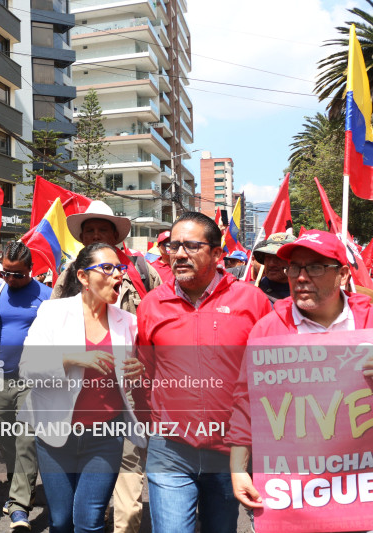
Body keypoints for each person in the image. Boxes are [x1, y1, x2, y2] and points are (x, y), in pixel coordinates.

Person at [133, 212, 270, 533]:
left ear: (217, 254)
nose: (179, 254)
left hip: (231, 453)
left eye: (191, 246)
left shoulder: (252, 301)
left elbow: (269, 375)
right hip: (170, 450)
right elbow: (144, 376)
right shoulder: (151, 305)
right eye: (173, 245)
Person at [227, 229, 373, 509]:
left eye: (316, 267)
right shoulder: (269, 329)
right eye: (294, 267)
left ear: (342, 274)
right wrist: (238, 469)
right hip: (291, 493)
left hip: (361, 489)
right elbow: (247, 403)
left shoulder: (369, 323)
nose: (301, 277)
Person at [20, 243, 145, 532]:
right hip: (55, 434)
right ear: (83, 277)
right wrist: (73, 357)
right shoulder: (53, 312)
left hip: (105, 436)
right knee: (61, 521)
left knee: (88, 521)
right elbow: (27, 369)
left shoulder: (129, 323)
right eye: (107, 268)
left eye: (120, 269)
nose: (118, 275)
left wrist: (141, 372)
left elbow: (141, 373)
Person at [54, 200, 161, 533]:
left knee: (127, 500)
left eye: (103, 230)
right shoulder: (68, 275)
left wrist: (146, 364)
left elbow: (162, 324)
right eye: (90, 230)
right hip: (72, 406)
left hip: (126, 401)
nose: (96, 235)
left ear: (117, 236)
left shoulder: (142, 271)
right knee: (78, 509)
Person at [0, 241, 51, 530]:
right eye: (5, 273)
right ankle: (20, 484)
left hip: (31, 380)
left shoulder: (47, 297)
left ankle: (19, 505)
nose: (11, 279)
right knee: (6, 439)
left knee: (25, 438)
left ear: (31, 271)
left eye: (18, 274)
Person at [252, 232, 296, 304]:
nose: (271, 264)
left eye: (278, 257)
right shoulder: (252, 291)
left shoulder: (306, 294)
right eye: (268, 257)